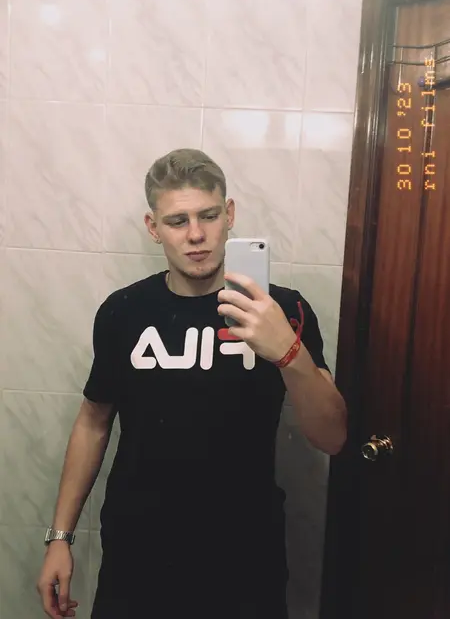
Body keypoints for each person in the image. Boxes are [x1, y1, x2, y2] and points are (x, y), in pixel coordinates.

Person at [37, 149, 347, 619]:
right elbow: (93, 422)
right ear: (153, 227)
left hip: (245, 557)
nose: (196, 235)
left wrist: (289, 351)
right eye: (177, 221)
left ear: (230, 214)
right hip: (137, 553)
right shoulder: (123, 311)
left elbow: (332, 437)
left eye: (209, 215)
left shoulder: (281, 309)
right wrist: (60, 537)